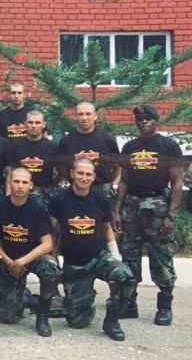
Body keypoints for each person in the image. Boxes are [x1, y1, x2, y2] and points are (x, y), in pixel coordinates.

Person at [48, 159, 135, 341]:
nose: (84, 177)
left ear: (94, 177)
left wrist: (115, 255)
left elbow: (106, 229)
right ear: (72, 173)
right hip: (75, 266)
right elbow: (51, 234)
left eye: (88, 174)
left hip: (99, 258)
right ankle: (85, 299)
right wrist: (54, 261)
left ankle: (111, 321)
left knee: (125, 275)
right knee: (78, 322)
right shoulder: (58, 200)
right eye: (80, 173)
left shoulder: (101, 200)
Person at [114, 105, 183, 326]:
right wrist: (117, 211)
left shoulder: (168, 146)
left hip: (157, 205)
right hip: (132, 204)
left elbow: (177, 182)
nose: (143, 122)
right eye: (140, 119)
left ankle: (164, 306)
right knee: (130, 255)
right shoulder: (130, 147)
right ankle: (129, 303)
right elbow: (123, 181)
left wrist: (170, 215)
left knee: (160, 256)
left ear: (156, 120)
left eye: (147, 118)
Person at [0, 168, 59, 336]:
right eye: (17, 181)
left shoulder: (38, 209)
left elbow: (48, 244)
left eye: (24, 182)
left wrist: (22, 261)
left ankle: (42, 317)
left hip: (31, 257)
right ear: (9, 183)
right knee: (8, 316)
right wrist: (7, 260)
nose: (20, 186)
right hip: (8, 259)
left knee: (50, 268)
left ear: (31, 186)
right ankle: (27, 299)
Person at [56, 102, 120, 202]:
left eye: (88, 114)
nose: (84, 118)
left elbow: (117, 165)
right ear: (75, 117)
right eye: (80, 114)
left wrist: (109, 183)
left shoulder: (108, 140)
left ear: (95, 116)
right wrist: (73, 181)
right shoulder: (66, 141)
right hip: (75, 191)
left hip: (102, 190)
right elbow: (61, 166)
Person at [12, 110, 58, 207]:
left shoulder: (52, 147)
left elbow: (60, 171)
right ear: (25, 124)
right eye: (30, 122)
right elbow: (9, 170)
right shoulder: (15, 146)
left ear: (43, 124)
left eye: (37, 122)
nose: (33, 126)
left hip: (44, 194)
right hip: (20, 192)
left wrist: (52, 187)